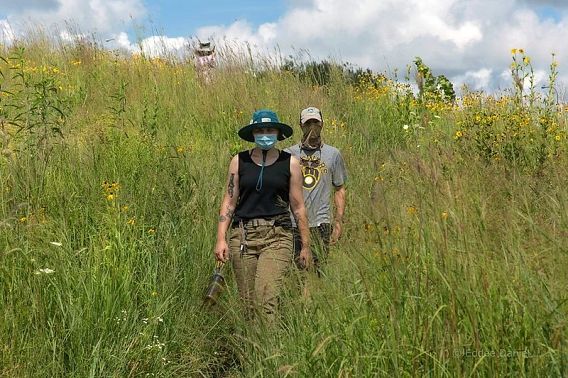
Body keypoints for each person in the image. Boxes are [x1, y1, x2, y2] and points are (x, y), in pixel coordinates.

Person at [214, 109, 312, 322]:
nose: (265, 134)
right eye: (260, 130)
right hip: (243, 236)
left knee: (266, 298)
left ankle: (271, 353)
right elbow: (229, 201)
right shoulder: (239, 161)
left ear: (277, 133)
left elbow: (298, 206)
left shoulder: (291, 163)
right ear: (253, 133)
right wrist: (221, 238)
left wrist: (305, 245)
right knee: (247, 303)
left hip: (277, 236)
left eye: (269, 130)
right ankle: (252, 352)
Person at [285, 107, 347, 273]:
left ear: (322, 124)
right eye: (307, 123)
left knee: (319, 272)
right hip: (294, 223)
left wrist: (338, 221)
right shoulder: (289, 154)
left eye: (315, 122)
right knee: (296, 273)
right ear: (301, 125)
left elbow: (339, 189)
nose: (312, 126)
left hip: (321, 222)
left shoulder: (333, 154)